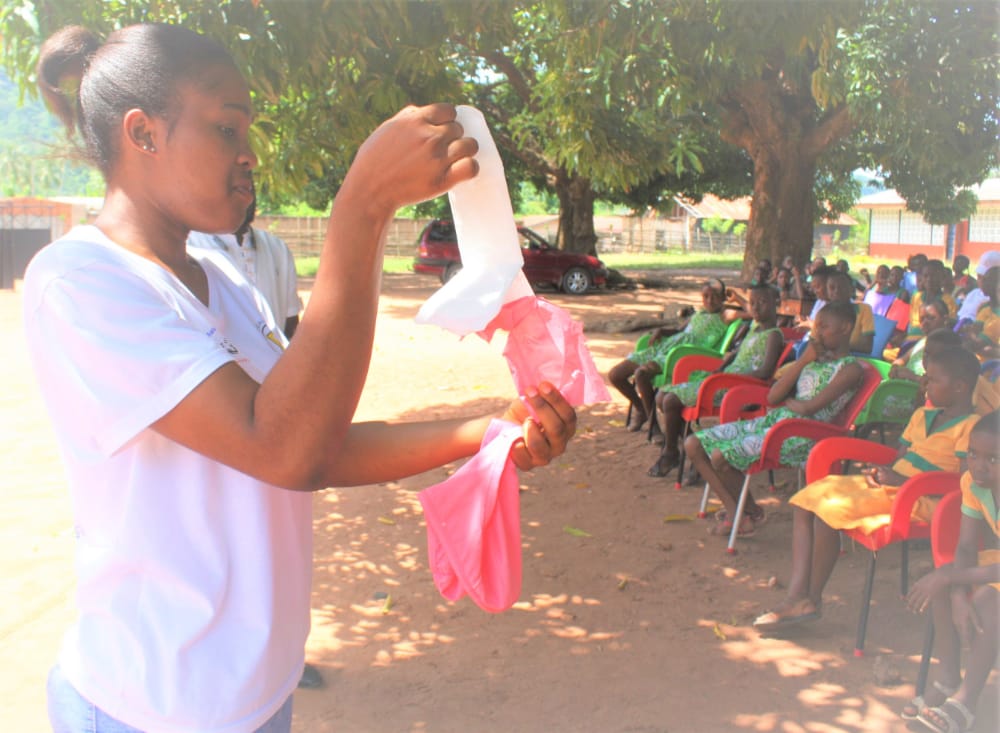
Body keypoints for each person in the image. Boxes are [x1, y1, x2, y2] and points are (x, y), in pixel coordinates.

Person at [27, 24, 577, 733]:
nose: (249, 152)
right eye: (227, 128)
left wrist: (483, 433)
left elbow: (311, 443)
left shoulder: (222, 274)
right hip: (152, 703)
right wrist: (362, 204)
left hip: (256, 693)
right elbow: (283, 446)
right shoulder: (80, 282)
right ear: (144, 134)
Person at [753, 348, 982, 633]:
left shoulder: (972, 428)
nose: (925, 384)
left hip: (921, 499)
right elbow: (898, 457)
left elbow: (962, 483)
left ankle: (807, 600)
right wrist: (883, 473)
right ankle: (798, 596)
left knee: (828, 510)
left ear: (960, 386)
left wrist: (901, 482)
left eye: (933, 379)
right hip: (894, 489)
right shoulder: (923, 415)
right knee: (806, 502)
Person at [684, 301, 864, 538]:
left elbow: (809, 408)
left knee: (720, 455)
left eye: (823, 327)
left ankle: (743, 515)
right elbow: (773, 396)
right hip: (778, 423)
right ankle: (740, 512)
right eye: (816, 327)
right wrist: (802, 361)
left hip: (803, 434)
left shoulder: (850, 369)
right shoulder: (812, 360)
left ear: (845, 328)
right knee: (693, 444)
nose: (816, 333)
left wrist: (795, 405)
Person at [902, 409, 1000, 733]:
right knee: (944, 583)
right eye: (973, 454)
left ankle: (966, 702)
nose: (979, 465)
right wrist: (956, 590)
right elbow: (967, 547)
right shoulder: (974, 482)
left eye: (993, 459)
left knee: (989, 602)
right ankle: (947, 679)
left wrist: (950, 576)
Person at [647, 283, 784, 478]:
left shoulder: (773, 335)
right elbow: (736, 353)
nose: (756, 307)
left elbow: (765, 371)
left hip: (737, 387)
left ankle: (672, 453)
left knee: (670, 400)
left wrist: (730, 376)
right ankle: (694, 452)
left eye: (762, 302)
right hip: (724, 380)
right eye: (752, 303)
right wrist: (720, 369)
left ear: (776, 303)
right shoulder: (754, 327)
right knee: (662, 395)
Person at [608, 279, 730, 432]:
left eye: (715, 296)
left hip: (682, 356)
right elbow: (679, 330)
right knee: (615, 375)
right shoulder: (699, 314)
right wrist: (662, 331)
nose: (710, 300)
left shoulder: (726, 315)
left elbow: (750, 311)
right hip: (665, 348)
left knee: (642, 374)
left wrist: (736, 298)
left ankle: (654, 427)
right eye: (705, 296)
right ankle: (642, 410)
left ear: (723, 298)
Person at [189, 196, 302, 338]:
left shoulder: (277, 248)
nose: (245, 188)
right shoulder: (189, 248)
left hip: (275, 359)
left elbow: (290, 322)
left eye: (248, 178)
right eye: (233, 179)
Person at [826, 270, 875, 355]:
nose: (836, 291)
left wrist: (835, 346)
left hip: (853, 358)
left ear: (852, 290)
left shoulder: (864, 310)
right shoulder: (825, 313)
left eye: (842, 287)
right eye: (832, 288)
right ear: (827, 292)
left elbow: (867, 347)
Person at [909, 260, 957, 336]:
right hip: (914, 336)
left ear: (942, 278)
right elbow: (913, 323)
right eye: (925, 276)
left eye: (934, 276)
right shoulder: (916, 297)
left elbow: (949, 323)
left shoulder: (947, 300)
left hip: (935, 338)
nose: (929, 279)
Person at [957, 251, 1000, 322]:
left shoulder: (990, 304)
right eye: (979, 277)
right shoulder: (973, 294)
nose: (981, 282)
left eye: (986, 279)